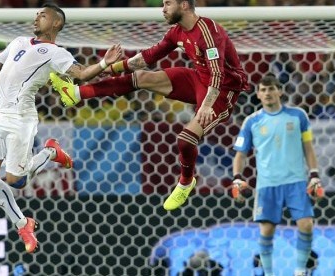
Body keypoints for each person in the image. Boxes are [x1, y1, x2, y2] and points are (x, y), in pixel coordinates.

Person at [0, 3, 122, 254]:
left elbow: (82, 74)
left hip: (21, 118)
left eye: (42, 15)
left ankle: (50, 152)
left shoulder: (56, 53)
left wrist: (104, 63)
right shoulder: (19, 41)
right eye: (36, 14)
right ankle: (23, 224)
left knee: (16, 181)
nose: (36, 17)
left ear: (56, 23)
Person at [49, 0, 248, 210]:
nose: (163, 9)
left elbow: (218, 73)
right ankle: (77, 93)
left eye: (167, 3)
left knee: (186, 139)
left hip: (222, 90)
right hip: (198, 79)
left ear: (184, 5)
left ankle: (186, 182)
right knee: (142, 77)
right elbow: (146, 58)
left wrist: (207, 106)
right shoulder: (177, 32)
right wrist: (108, 67)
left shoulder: (208, 32)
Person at [231, 75, 324, 276]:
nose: (267, 93)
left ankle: (300, 271)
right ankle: (270, 273)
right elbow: (240, 154)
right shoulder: (251, 121)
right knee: (266, 230)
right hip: (267, 184)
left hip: (296, 182)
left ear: (280, 91)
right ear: (258, 94)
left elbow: (308, 147)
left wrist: (314, 175)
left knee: (306, 224)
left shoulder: (298, 116)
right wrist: (237, 178)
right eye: (263, 90)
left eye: (271, 89)